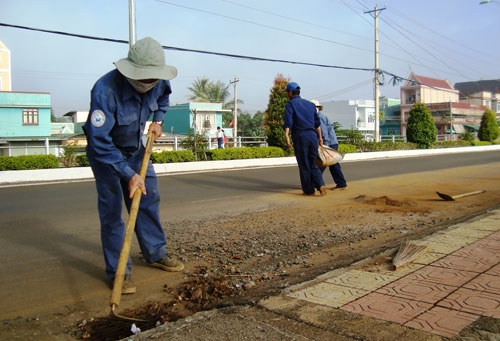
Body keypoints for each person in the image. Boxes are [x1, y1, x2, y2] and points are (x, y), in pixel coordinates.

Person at [83, 37, 184, 295]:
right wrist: (128, 174)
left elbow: (163, 100)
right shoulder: (105, 91)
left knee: (148, 200)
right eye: (145, 80)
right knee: (113, 214)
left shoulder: (159, 81)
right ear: (129, 71)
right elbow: (99, 142)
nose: (150, 84)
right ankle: (119, 271)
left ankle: (156, 252)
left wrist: (158, 122)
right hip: (106, 156)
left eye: (153, 79)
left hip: (136, 152)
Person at [283, 82, 327, 196]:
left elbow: (288, 122)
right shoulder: (310, 105)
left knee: (304, 164)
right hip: (313, 137)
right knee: (312, 163)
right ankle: (320, 184)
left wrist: (287, 135)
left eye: (287, 92)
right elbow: (317, 124)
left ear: (291, 92)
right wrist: (320, 139)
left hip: (301, 137)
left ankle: (309, 190)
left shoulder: (290, 104)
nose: (287, 94)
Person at [311, 99, 348, 190]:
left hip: (328, 143)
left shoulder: (319, 117)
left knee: (322, 163)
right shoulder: (318, 117)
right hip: (330, 142)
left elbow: (324, 133)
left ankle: (315, 184)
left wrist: (324, 145)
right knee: (333, 164)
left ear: (317, 108)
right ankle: (341, 183)